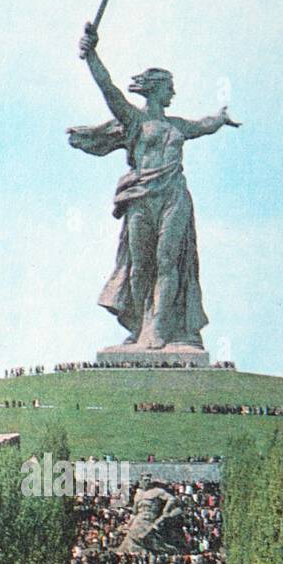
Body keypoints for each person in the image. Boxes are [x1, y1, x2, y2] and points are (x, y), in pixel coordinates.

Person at [70, 22, 239, 351]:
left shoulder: (177, 125)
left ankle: (159, 329)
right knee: (140, 264)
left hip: (173, 196)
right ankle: (139, 324)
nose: (173, 93)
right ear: (156, 89)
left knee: (167, 261)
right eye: (169, 88)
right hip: (140, 197)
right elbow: (109, 89)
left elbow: (203, 126)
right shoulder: (134, 120)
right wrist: (92, 54)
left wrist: (219, 118)